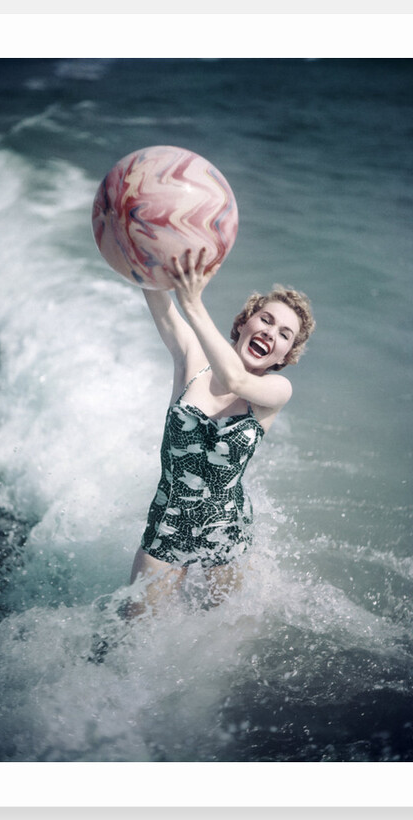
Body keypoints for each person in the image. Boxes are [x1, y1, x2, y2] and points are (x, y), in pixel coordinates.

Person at [128, 247, 315, 615]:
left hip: (225, 532)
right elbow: (152, 291)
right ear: (245, 321)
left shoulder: (275, 394)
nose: (270, 333)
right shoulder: (191, 359)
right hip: (168, 526)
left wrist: (194, 303)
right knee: (127, 639)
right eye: (265, 319)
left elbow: (233, 377)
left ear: (284, 357)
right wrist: (139, 238)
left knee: (219, 640)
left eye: (285, 335)